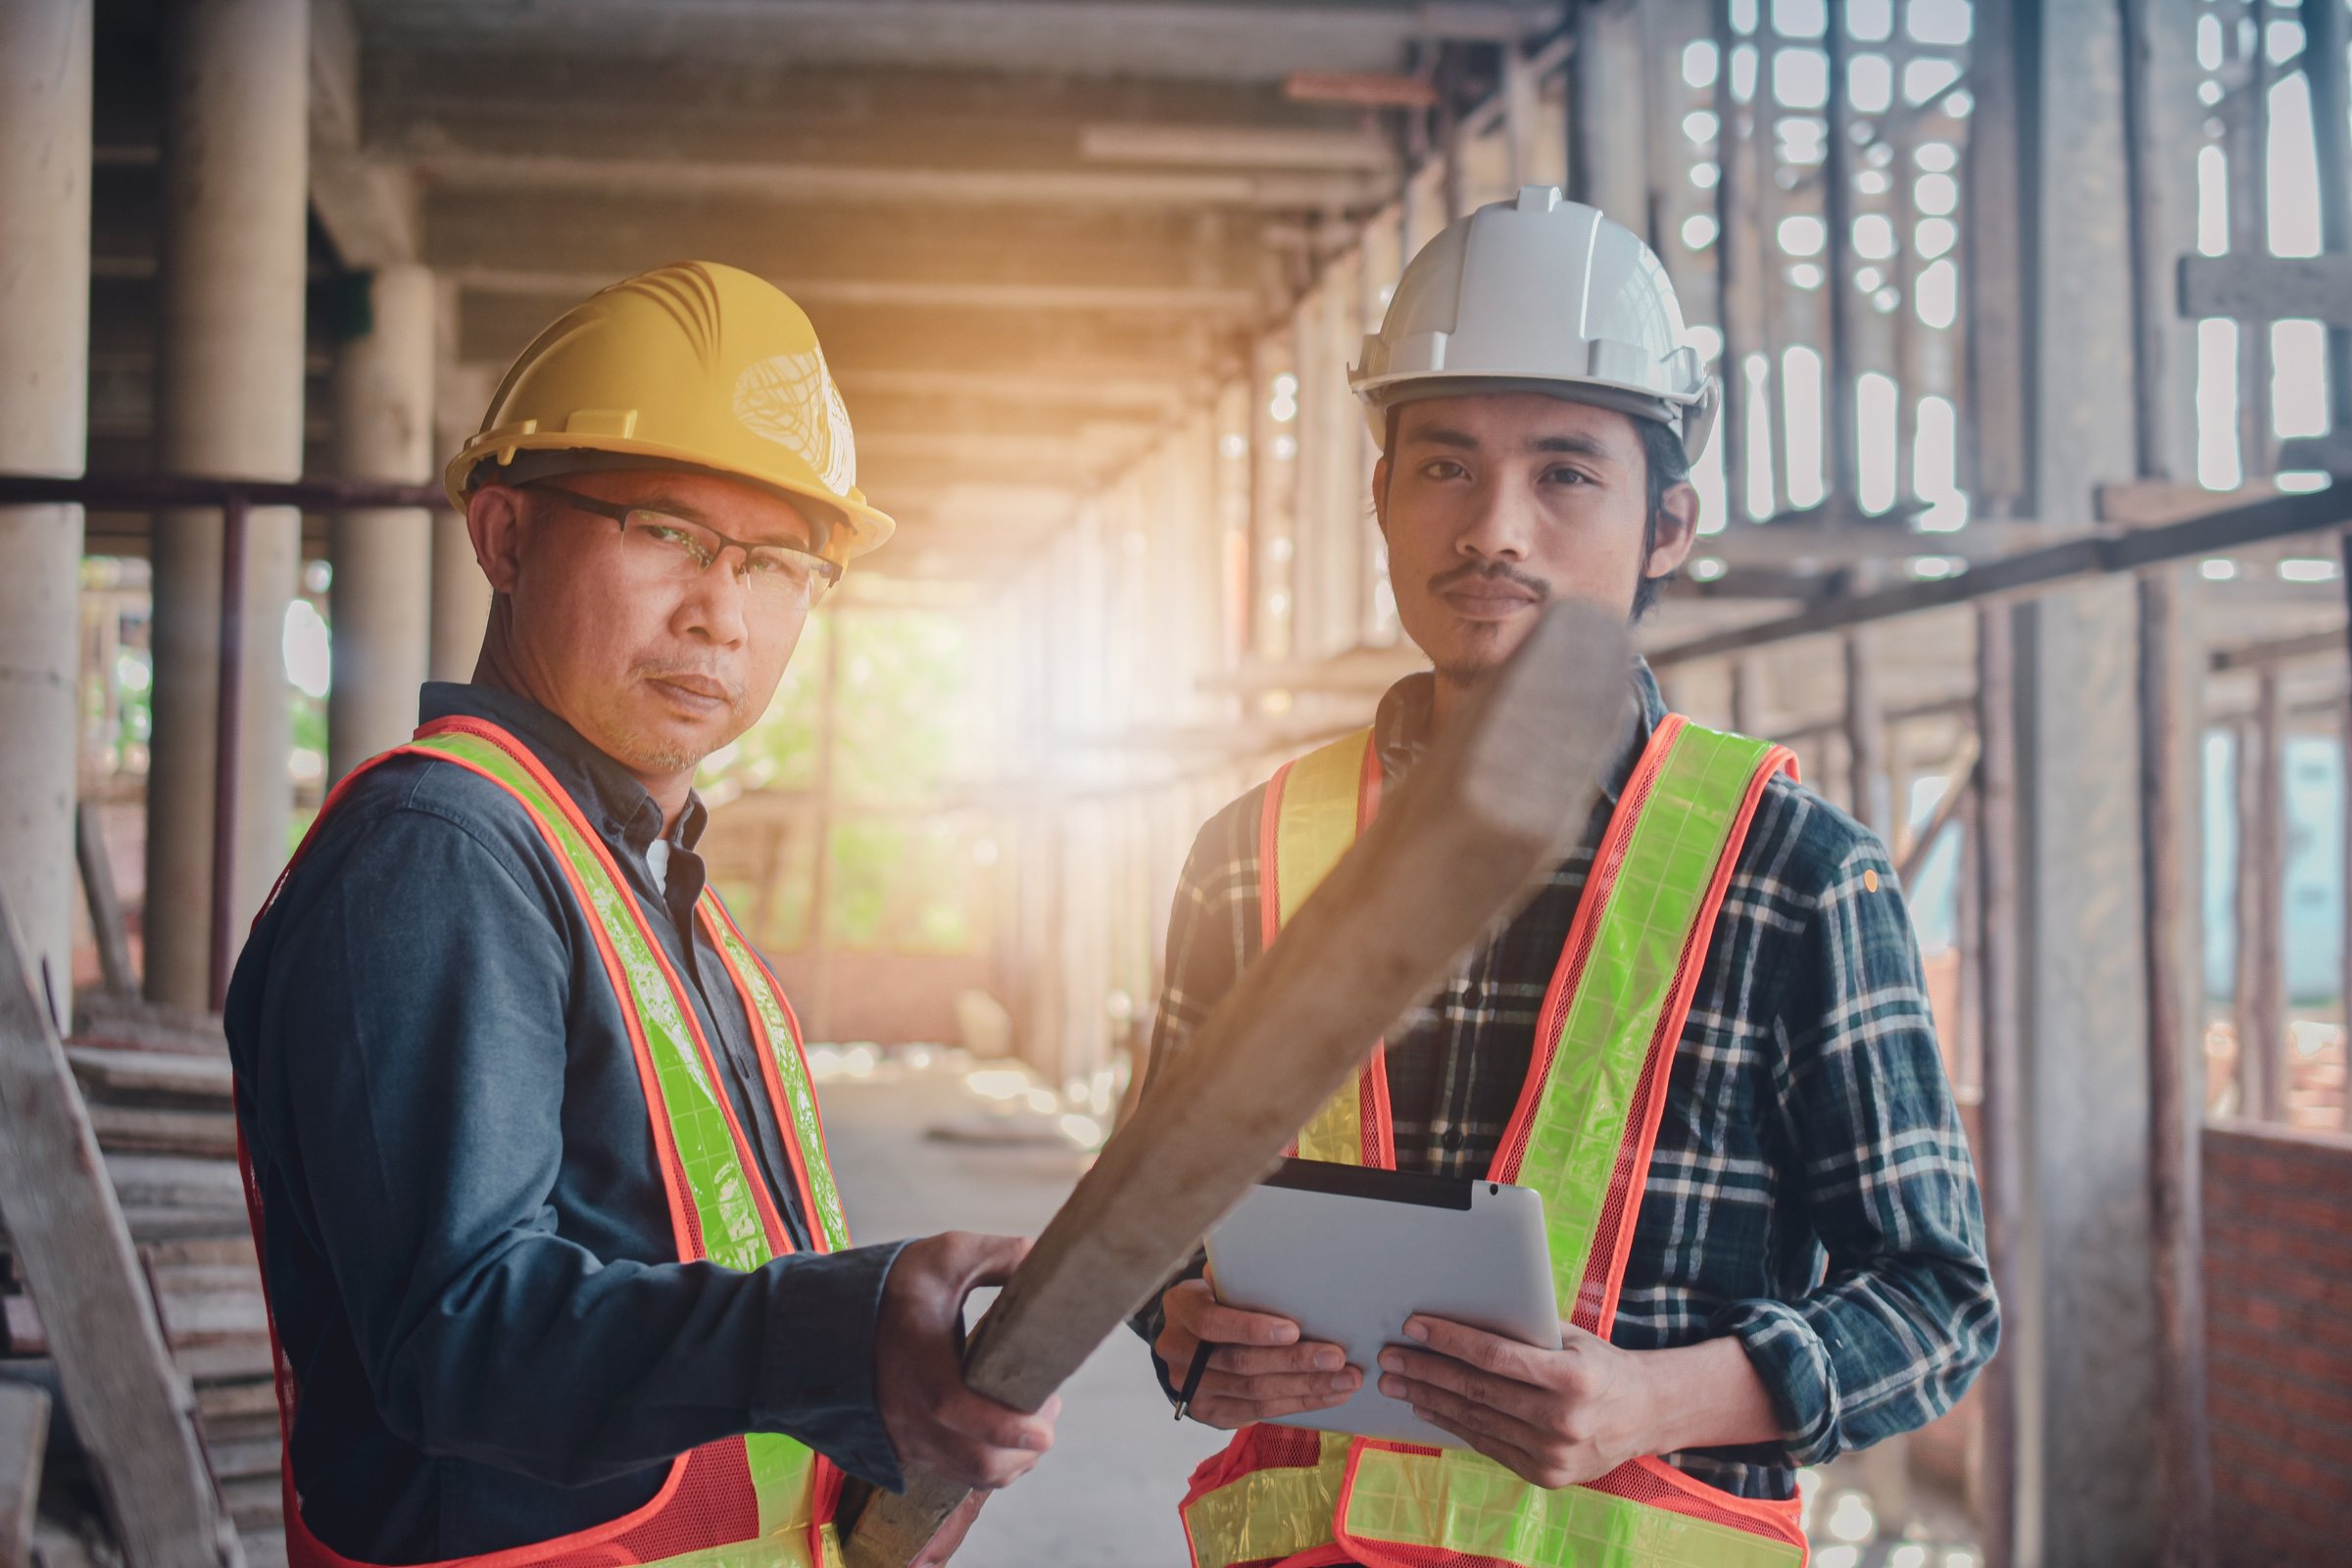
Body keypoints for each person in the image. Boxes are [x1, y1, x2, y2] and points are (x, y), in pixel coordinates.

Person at [1137, 191, 1996, 1567]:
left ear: (1668, 524)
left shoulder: (1790, 872)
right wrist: (1188, 1332)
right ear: (1381, 498)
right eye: (1443, 468)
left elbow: (1938, 1305)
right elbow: (1157, 1224)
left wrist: (1658, 1400)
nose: (1497, 529)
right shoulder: (1250, 854)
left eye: (1565, 474)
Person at [226, 262, 1054, 1568]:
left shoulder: (657, 895)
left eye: (778, 561)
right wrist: (838, 1335)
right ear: (503, 537)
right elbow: (461, 1337)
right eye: (665, 531)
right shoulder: (441, 847)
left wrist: (877, 1437)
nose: (720, 611)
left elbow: (706, 1296)